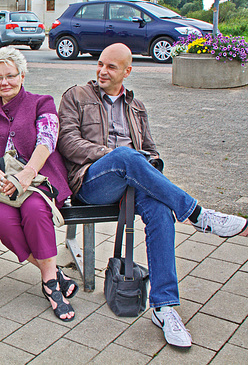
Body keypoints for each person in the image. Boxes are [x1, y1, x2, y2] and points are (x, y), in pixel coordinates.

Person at [57, 43, 248, 347]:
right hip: (92, 181)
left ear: (127, 71)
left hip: (133, 182)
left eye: (111, 67)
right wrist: (117, 156)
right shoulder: (76, 96)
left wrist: (146, 165)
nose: (103, 71)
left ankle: (164, 307)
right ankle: (199, 216)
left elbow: (153, 152)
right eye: (101, 64)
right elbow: (68, 143)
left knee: (159, 209)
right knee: (127, 157)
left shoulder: (137, 107)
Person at [0, 47, 76, 321]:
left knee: (34, 211)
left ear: (22, 75)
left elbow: (47, 140)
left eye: (10, 75)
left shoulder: (42, 102)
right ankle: (53, 273)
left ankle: (51, 286)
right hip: (0, 184)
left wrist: (25, 175)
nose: (4, 82)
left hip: (37, 180)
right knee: (1, 220)